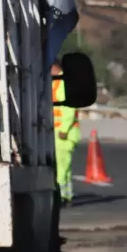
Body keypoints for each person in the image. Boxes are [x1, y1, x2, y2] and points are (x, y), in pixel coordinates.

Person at [51, 59, 80, 206]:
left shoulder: (64, 83)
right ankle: (67, 195)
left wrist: (63, 129)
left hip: (64, 134)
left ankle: (61, 196)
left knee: (61, 166)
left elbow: (69, 108)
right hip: (60, 133)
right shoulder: (57, 83)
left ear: (55, 67)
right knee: (65, 166)